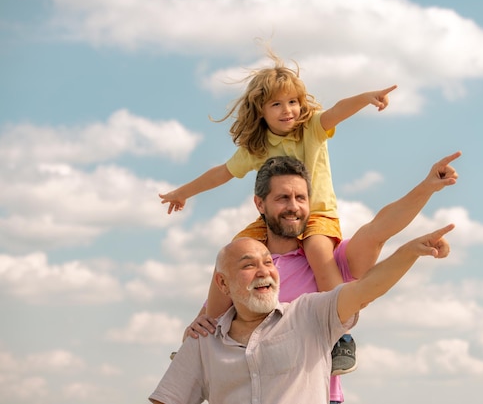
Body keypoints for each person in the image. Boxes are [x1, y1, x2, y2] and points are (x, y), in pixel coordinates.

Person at [158, 47, 397, 374]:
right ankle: (202, 334)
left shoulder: (312, 127)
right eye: (277, 104)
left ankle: (343, 337)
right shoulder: (258, 146)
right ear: (261, 111)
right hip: (274, 216)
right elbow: (222, 173)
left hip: (316, 213)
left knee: (317, 251)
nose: (288, 110)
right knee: (232, 252)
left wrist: (365, 97)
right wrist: (183, 192)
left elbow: (337, 111)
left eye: (293, 102)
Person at [173, 152, 461, 403]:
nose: (294, 206)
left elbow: (378, 230)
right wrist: (197, 325)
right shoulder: (243, 268)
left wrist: (426, 188)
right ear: (259, 204)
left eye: (301, 198)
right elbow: (207, 332)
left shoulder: (329, 260)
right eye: (282, 198)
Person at [149, 228, 454, 404]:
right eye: (248, 265)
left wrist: (410, 251)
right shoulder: (203, 340)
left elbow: (367, 289)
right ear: (223, 283)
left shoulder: (311, 313)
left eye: (268, 262)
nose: (264, 271)